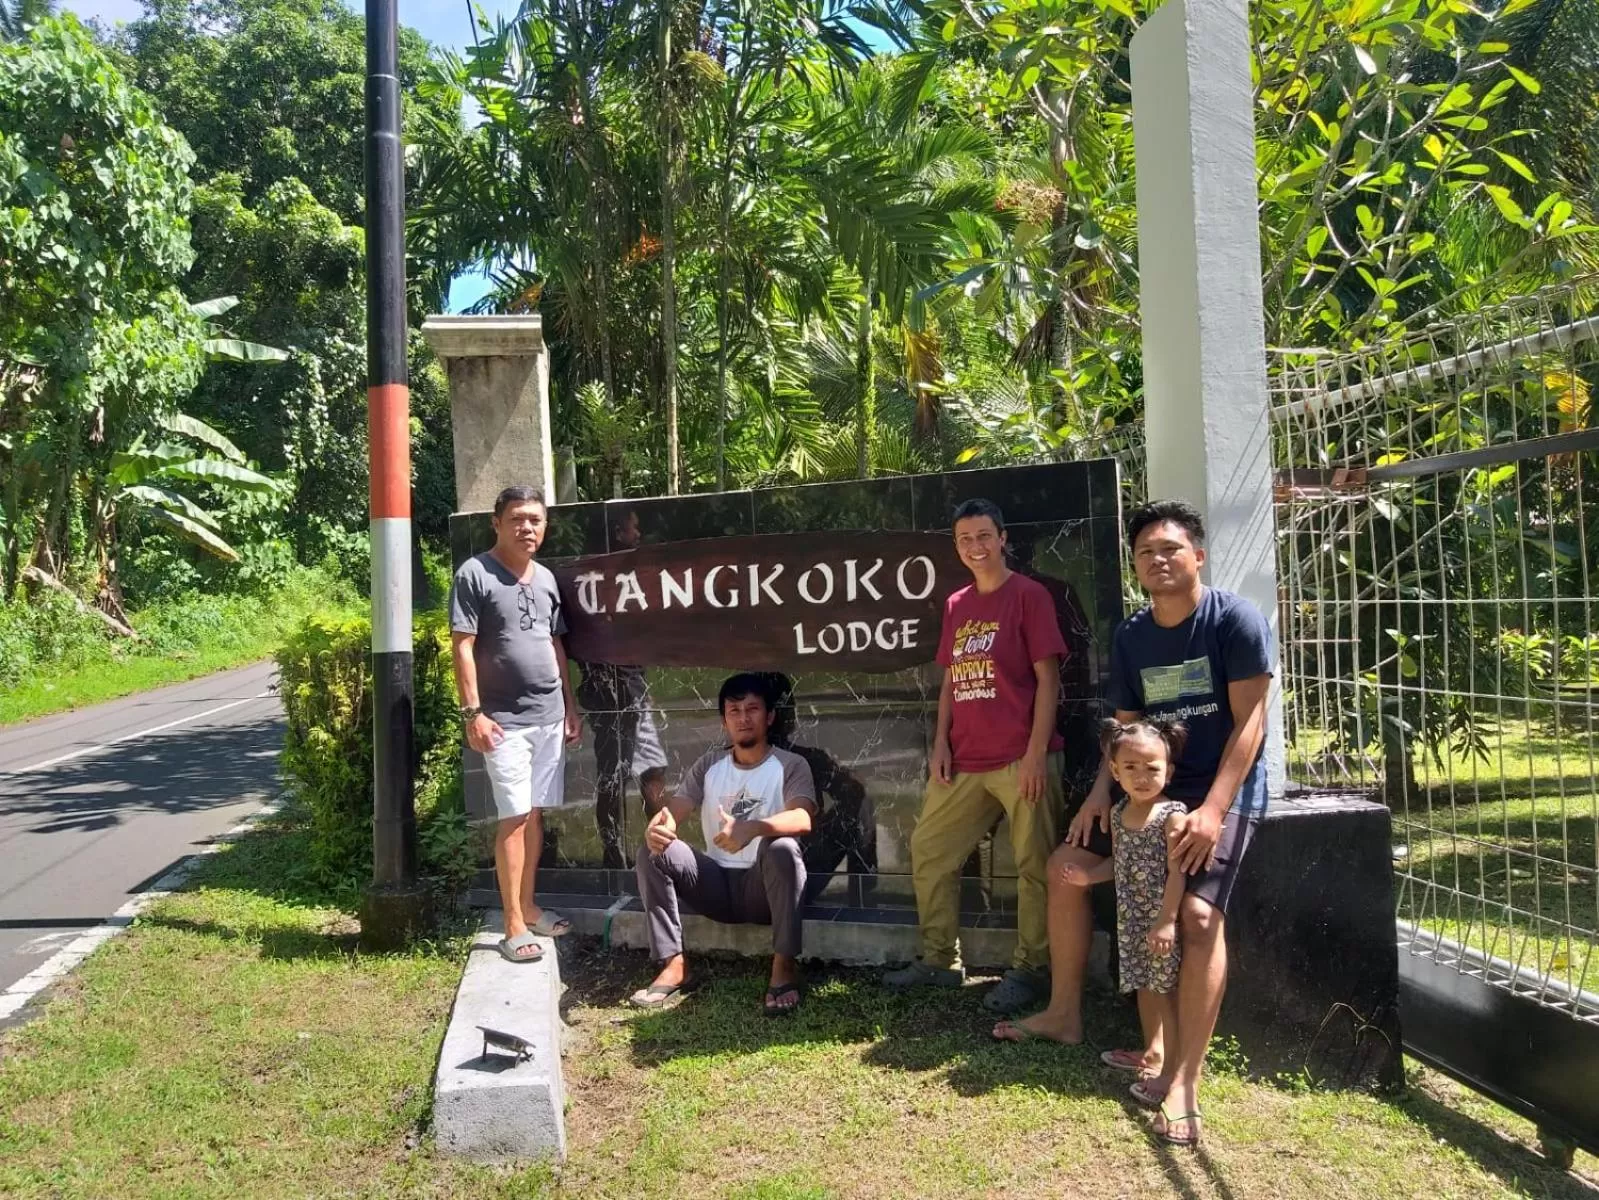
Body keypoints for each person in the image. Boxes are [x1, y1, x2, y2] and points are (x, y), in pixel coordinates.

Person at [993, 499, 1272, 1151]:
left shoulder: (1233, 619)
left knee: (1200, 919)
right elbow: (1122, 727)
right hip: (1143, 784)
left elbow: (1250, 725)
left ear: (1196, 556)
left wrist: (1210, 810)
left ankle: (1184, 1083)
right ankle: (1063, 1015)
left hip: (1219, 791)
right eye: (1146, 551)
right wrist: (1098, 792)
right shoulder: (1132, 634)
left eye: (1170, 549)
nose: (1158, 560)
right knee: (1065, 866)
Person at [884, 498, 1069, 1015]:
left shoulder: (1030, 596)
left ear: (1003, 538)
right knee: (930, 849)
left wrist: (1036, 755)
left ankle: (1032, 970)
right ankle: (941, 960)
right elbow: (949, 682)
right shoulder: (957, 604)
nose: (975, 547)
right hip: (965, 761)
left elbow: (1049, 679)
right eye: (965, 539)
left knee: (1033, 866)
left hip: (1022, 759)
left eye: (984, 536)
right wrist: (940, 743)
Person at [631, 673, 817, 1016]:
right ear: (724, 720)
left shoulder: (791, 765)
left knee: (783, 849)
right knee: (653, 850)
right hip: (714, 885)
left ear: (770, 716)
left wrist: (753, 828)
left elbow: (803, 819)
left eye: (752, 709)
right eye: (734, 710)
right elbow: (676, 809)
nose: (743, 718)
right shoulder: (709, 764)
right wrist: (660, 827)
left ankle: (784, 966)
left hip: (763, 890)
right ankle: (674, 964)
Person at [449, 485, 582, 964]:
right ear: (497, 522)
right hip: (503, 722)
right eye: (518, 519)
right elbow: (462, 645)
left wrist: (570, 705)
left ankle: (528, 906)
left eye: (536, 520)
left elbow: (556, 645)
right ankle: (511, 925)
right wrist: (473, 713)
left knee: (535, 813)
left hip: (548, 717)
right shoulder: (475, 574)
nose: (528, 528)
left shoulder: (545, 578)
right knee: (514, 817)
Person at [1062, 719, 1191, 1120]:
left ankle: (1172, 1074)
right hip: (1131, 920)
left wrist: (1167, 920)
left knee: (1166, 991)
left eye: (1152, 768)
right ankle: (1152, 1052)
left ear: (1168, 771)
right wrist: (1087, 876)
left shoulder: (1172, 816)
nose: (1142, 776)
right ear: (1115, 772)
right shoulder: (1118, 814)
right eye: (1130, 767)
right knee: (1143, 986)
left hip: (1158, 922)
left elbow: (1178, 873)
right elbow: (1118, 863)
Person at [580, 508, 669, 868]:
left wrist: (644, 690)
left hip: (635, 692)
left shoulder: (630, 577)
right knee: (612, 779)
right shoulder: (591, 581)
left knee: (653, 772)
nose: (640, 534)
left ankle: (661, 853)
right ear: (618, 531)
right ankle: (613, 858)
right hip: (609, 697)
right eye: (634, 527)